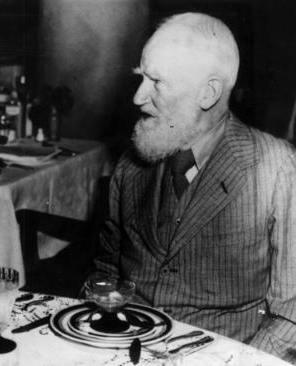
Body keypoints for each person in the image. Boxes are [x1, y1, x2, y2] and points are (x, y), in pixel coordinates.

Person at [94, 13, 296, 362]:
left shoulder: (278, 169)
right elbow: (105, 272)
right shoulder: (131, 164)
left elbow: (290, 316)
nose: (138, 98)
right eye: (141, 79)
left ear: (209, 92)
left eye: (156, 82)